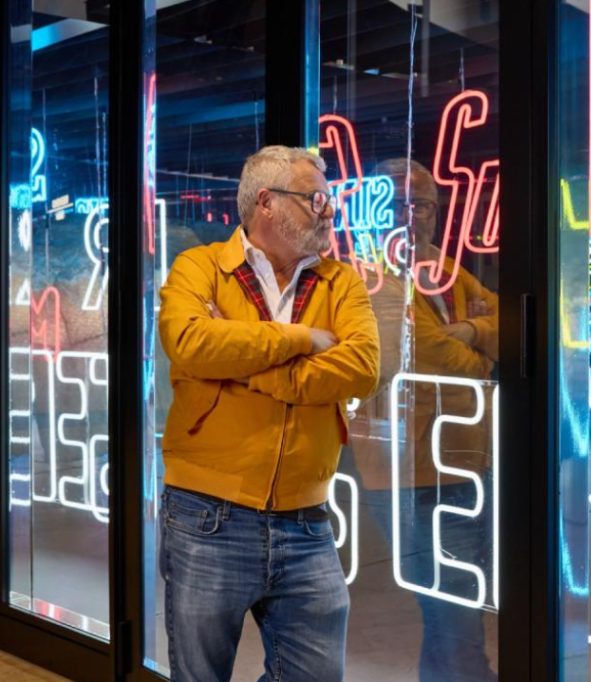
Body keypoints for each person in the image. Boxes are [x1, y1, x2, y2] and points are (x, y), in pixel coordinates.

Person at [157, 145, 381, 682]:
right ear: (267, 202)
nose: (329, 211)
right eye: (316, 199)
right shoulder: (201, 266)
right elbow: (188, 341)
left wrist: (245, 367)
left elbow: (363, 366)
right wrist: (302, 339)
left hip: (305, 521)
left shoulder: (341, 282)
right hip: (207, 513)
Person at [349, 158, 498, 681]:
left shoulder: (442, 269)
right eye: (401, 205)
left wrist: (476, 333)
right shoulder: (366, 277)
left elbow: (505, 316)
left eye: (426, 205)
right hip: (406, 467)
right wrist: (478, 352)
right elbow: (427, 354)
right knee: (452, 601)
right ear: (375, 211)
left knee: (455, 600)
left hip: (463, 461)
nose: (416, 217)